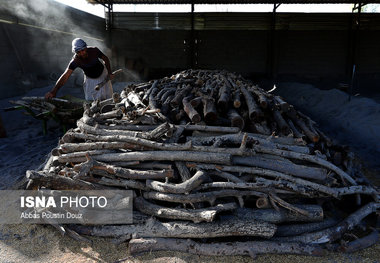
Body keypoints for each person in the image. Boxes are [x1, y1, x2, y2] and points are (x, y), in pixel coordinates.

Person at [45, 38, 114, 101]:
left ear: (85, 48)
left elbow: (105, 59)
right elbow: (65, 76)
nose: (81, 53)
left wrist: (109, 72)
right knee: (92, 101)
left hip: (103, 74)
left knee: (108, 98)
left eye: (82, 50)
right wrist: (53, 91)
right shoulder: (75, 61)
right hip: (90, 80)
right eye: (78, 52)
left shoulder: (94, 50)